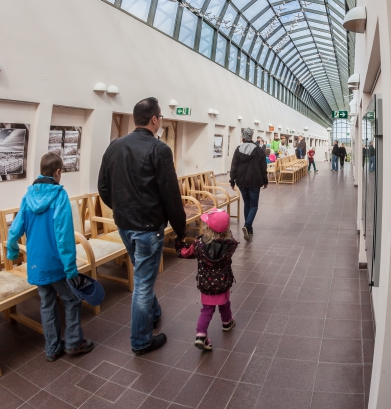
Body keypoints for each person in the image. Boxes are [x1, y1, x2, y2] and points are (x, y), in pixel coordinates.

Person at [98, 97, 186, 355]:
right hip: (148, 228)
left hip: (124, 225)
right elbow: (171, 195)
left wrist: (121, 211)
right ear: (155, 119)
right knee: (144, 284)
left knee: (142, 273)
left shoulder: (115, 146)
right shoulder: (160, 150)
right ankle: (141, 341)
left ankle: (153, 311)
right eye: (161, 117)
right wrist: (180, 231)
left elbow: (103, 187)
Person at [7, 152, 94, 362]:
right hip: (56, 263)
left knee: (47, 303)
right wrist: (71, 268)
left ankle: (53, 348)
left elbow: (14, 230)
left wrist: (12, 251)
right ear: (57, 172)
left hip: (36, 263)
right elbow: (64, 237)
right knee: (72, 299)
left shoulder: (28, 198)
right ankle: (74, 342)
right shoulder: (59, 196)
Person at [178, 210, 238, 351]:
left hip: (207, 283)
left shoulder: (199, 244)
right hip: (223, 282)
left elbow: (187, 253)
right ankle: (227, 322)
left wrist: (180, 247)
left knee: (207, 310)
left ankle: (201, 335)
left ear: (208, 227)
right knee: (224, 303)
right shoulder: (230, 245)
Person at [230, 127, 268, 241]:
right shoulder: (258, 150)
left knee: (247, 204)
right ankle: (247, 225)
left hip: (241, 181)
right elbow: (263, 167)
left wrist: (232, 181)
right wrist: (265, 180)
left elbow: (234, 167)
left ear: (243, 138)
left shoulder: (238, 149)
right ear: (251, 137)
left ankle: (249, 228)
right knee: (254, 205)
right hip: (255, 181)